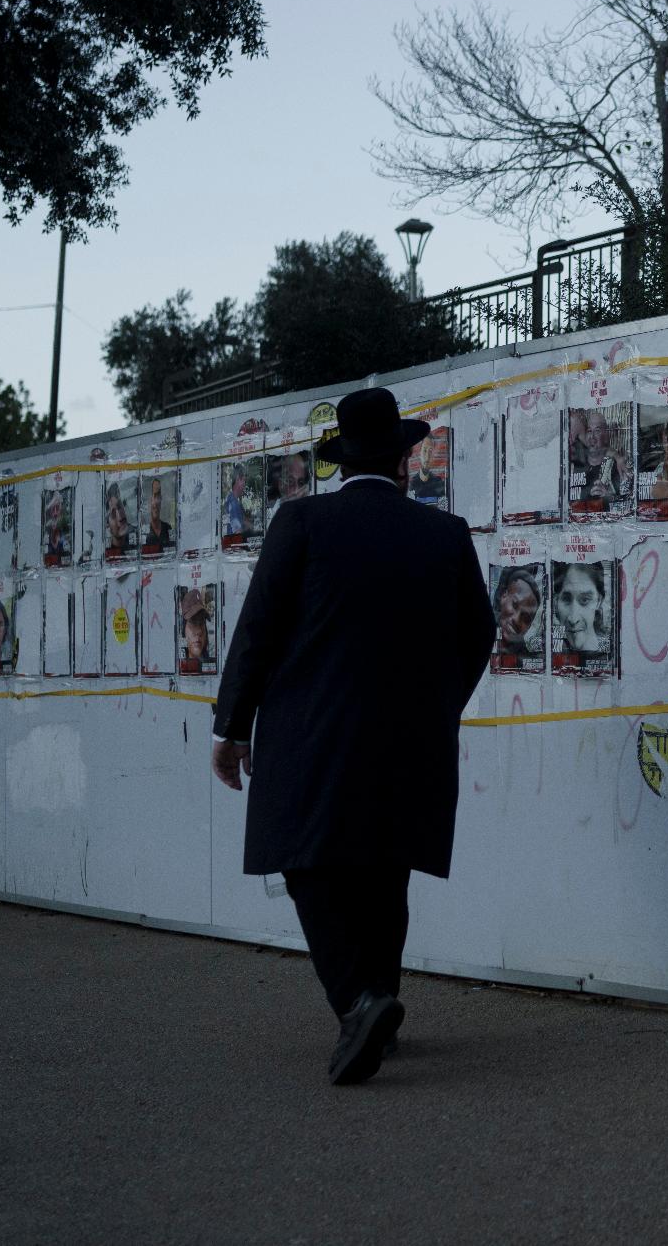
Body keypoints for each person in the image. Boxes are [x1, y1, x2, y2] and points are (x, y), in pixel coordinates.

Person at [211, 386, 495, 1086]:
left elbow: (258, 630)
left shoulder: (302, 521)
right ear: (403, 460)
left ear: (341, 462)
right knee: (383, 867)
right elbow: (480, 633)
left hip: (314, 730)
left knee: (306, 860)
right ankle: (380, 1006)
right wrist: (437, 705)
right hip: (412, 737)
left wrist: (232, 724)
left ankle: (360, 1002)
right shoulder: (444, 533)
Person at [553, 561, 615, 658]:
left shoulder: (611, 654)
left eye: (585, 600)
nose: (573, 619)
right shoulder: (549, 654)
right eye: (566, 599)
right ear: (556, 601)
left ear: (599, 601)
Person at [493, 568, 541, 664]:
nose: (516, 619)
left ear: (529, 627)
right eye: (514, 605)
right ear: (503, 595)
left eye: (526, 618)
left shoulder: (526, 661)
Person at [182, 598, 215, 671]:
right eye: (193, 623)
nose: (199, 631)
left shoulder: (214, 667)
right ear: (183, 631)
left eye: (202, 623)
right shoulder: (178, 667)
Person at [222, 466, 254, 540]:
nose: (245, 485)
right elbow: (238, 533)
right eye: (244, 480)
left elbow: (241, 521)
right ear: (237, 479)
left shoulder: (231, 499)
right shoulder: (234, 504)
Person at [144, 477, 174, 553]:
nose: (156, 502)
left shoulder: (168, 529)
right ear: (149, 501)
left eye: (158, 497)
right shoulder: (143, 531)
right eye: (154, 496)